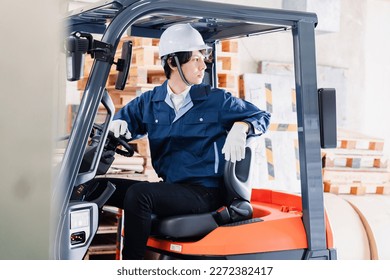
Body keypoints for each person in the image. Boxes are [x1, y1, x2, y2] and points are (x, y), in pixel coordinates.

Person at [91, 23, 270, 259]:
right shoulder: (150, 102)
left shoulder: (217, 101)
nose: (202, 65)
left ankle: (131, 267)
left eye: (202, 58)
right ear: (173, 62)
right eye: (195, 59)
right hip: (171, 188)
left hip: (204, 192)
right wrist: (114, 127)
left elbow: (261, 116)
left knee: (140, 195)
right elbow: (122, 124)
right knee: (93, 187)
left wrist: (243, 126)